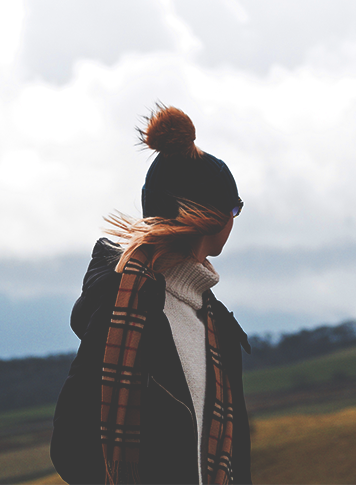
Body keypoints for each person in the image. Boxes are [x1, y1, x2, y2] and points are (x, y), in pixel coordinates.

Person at [50, 105, 253, 485]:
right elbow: (71, 446)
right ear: (212, 217)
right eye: (235, 208)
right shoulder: (123, 307)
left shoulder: (217, 327)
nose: (234, 219)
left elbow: (235, 462)